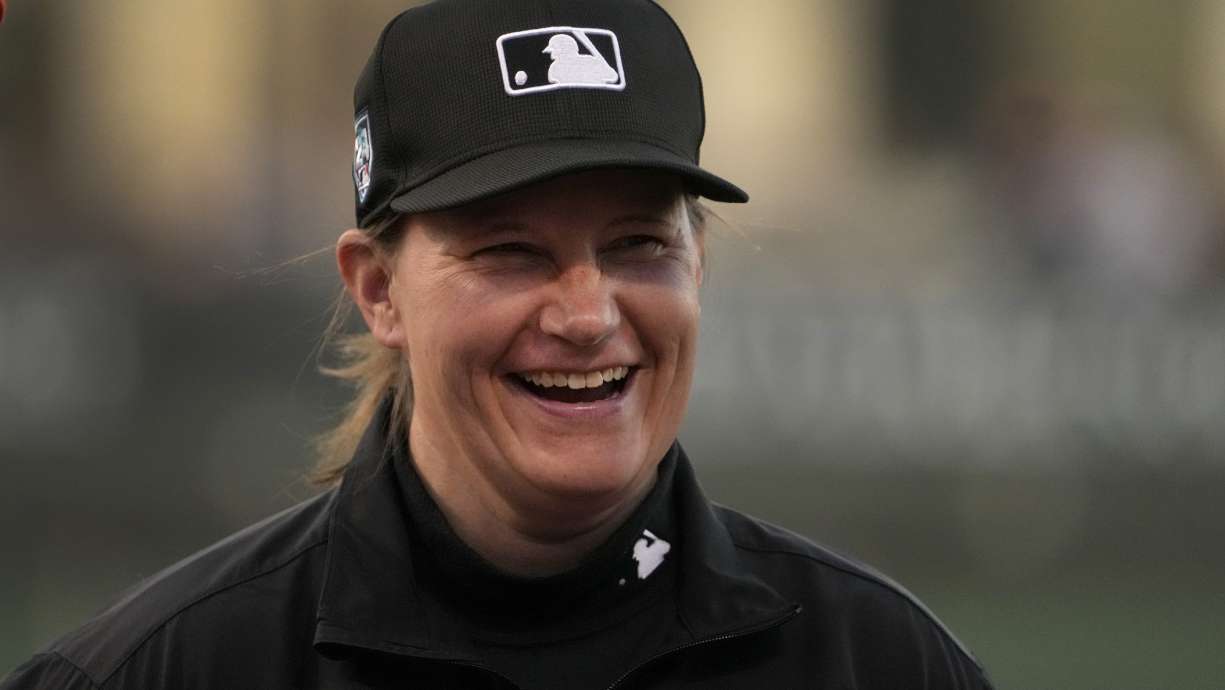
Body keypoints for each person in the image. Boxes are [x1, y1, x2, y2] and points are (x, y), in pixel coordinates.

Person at [1, 1, 994, 688]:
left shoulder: (880, 663)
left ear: (699, 267)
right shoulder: (160, 671)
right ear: (378, 291)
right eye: (510, 251)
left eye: (639, 243)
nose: (587, 311)